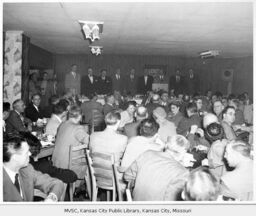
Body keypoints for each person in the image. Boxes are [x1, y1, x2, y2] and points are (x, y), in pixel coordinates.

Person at [123, 135, 189, 201]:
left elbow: (127, 176)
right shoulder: (182, 173)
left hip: (135, 203)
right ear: (183, 152)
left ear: (166, 145)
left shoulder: (147, 154)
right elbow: (170, 203)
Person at [3, 136, 64, 201]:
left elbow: (56, 183)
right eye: (26, 152)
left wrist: (51, 198)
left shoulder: (27, 169)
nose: (30, 154)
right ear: (15, 157)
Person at [52, 105, 89, 179]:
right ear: (79, 116)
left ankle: (77, 187)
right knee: (92, 165)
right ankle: (85, 188)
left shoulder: (62, 124)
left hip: (56, 163)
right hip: (69, 165)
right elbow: (90, 143)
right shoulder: (77, 128)